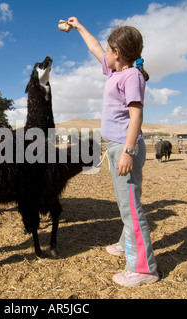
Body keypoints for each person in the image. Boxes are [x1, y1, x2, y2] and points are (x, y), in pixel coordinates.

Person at [66, 17, 159, 287]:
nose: (104, 54)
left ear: (117, 54)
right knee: (126, 202)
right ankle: (124, 243)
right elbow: (95, 47)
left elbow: (137, 115)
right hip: (117, 146)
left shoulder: (131, 76)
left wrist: (128, 151)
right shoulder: (115, 72)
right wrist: (80, 27)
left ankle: (143, 268)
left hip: (124, 147)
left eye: (109, 50)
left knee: (131, 207)